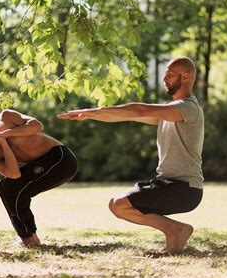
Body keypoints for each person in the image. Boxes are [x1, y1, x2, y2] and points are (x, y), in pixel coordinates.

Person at [58, 57, 204, 253]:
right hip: (171, 185)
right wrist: (90, 114)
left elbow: (140, 110)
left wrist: (92, 111)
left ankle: (176, 230)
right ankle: (175, 234)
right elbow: (130, 115)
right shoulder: (170, 112)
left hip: (184, 188)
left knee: (120, 205)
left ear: (185, 76)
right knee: (118, 206)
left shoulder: (189, 108)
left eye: (169, 74)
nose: (164, 78)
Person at [0, 109, 78, 246]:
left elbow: (37, 126)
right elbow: (14, 174)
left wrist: (7, 134)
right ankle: (27, 237)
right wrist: (3, 143)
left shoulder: (6, 117)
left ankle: (29, 238)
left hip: (61, 159)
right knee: (4, 187)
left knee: (10, 188)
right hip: (42, 166)